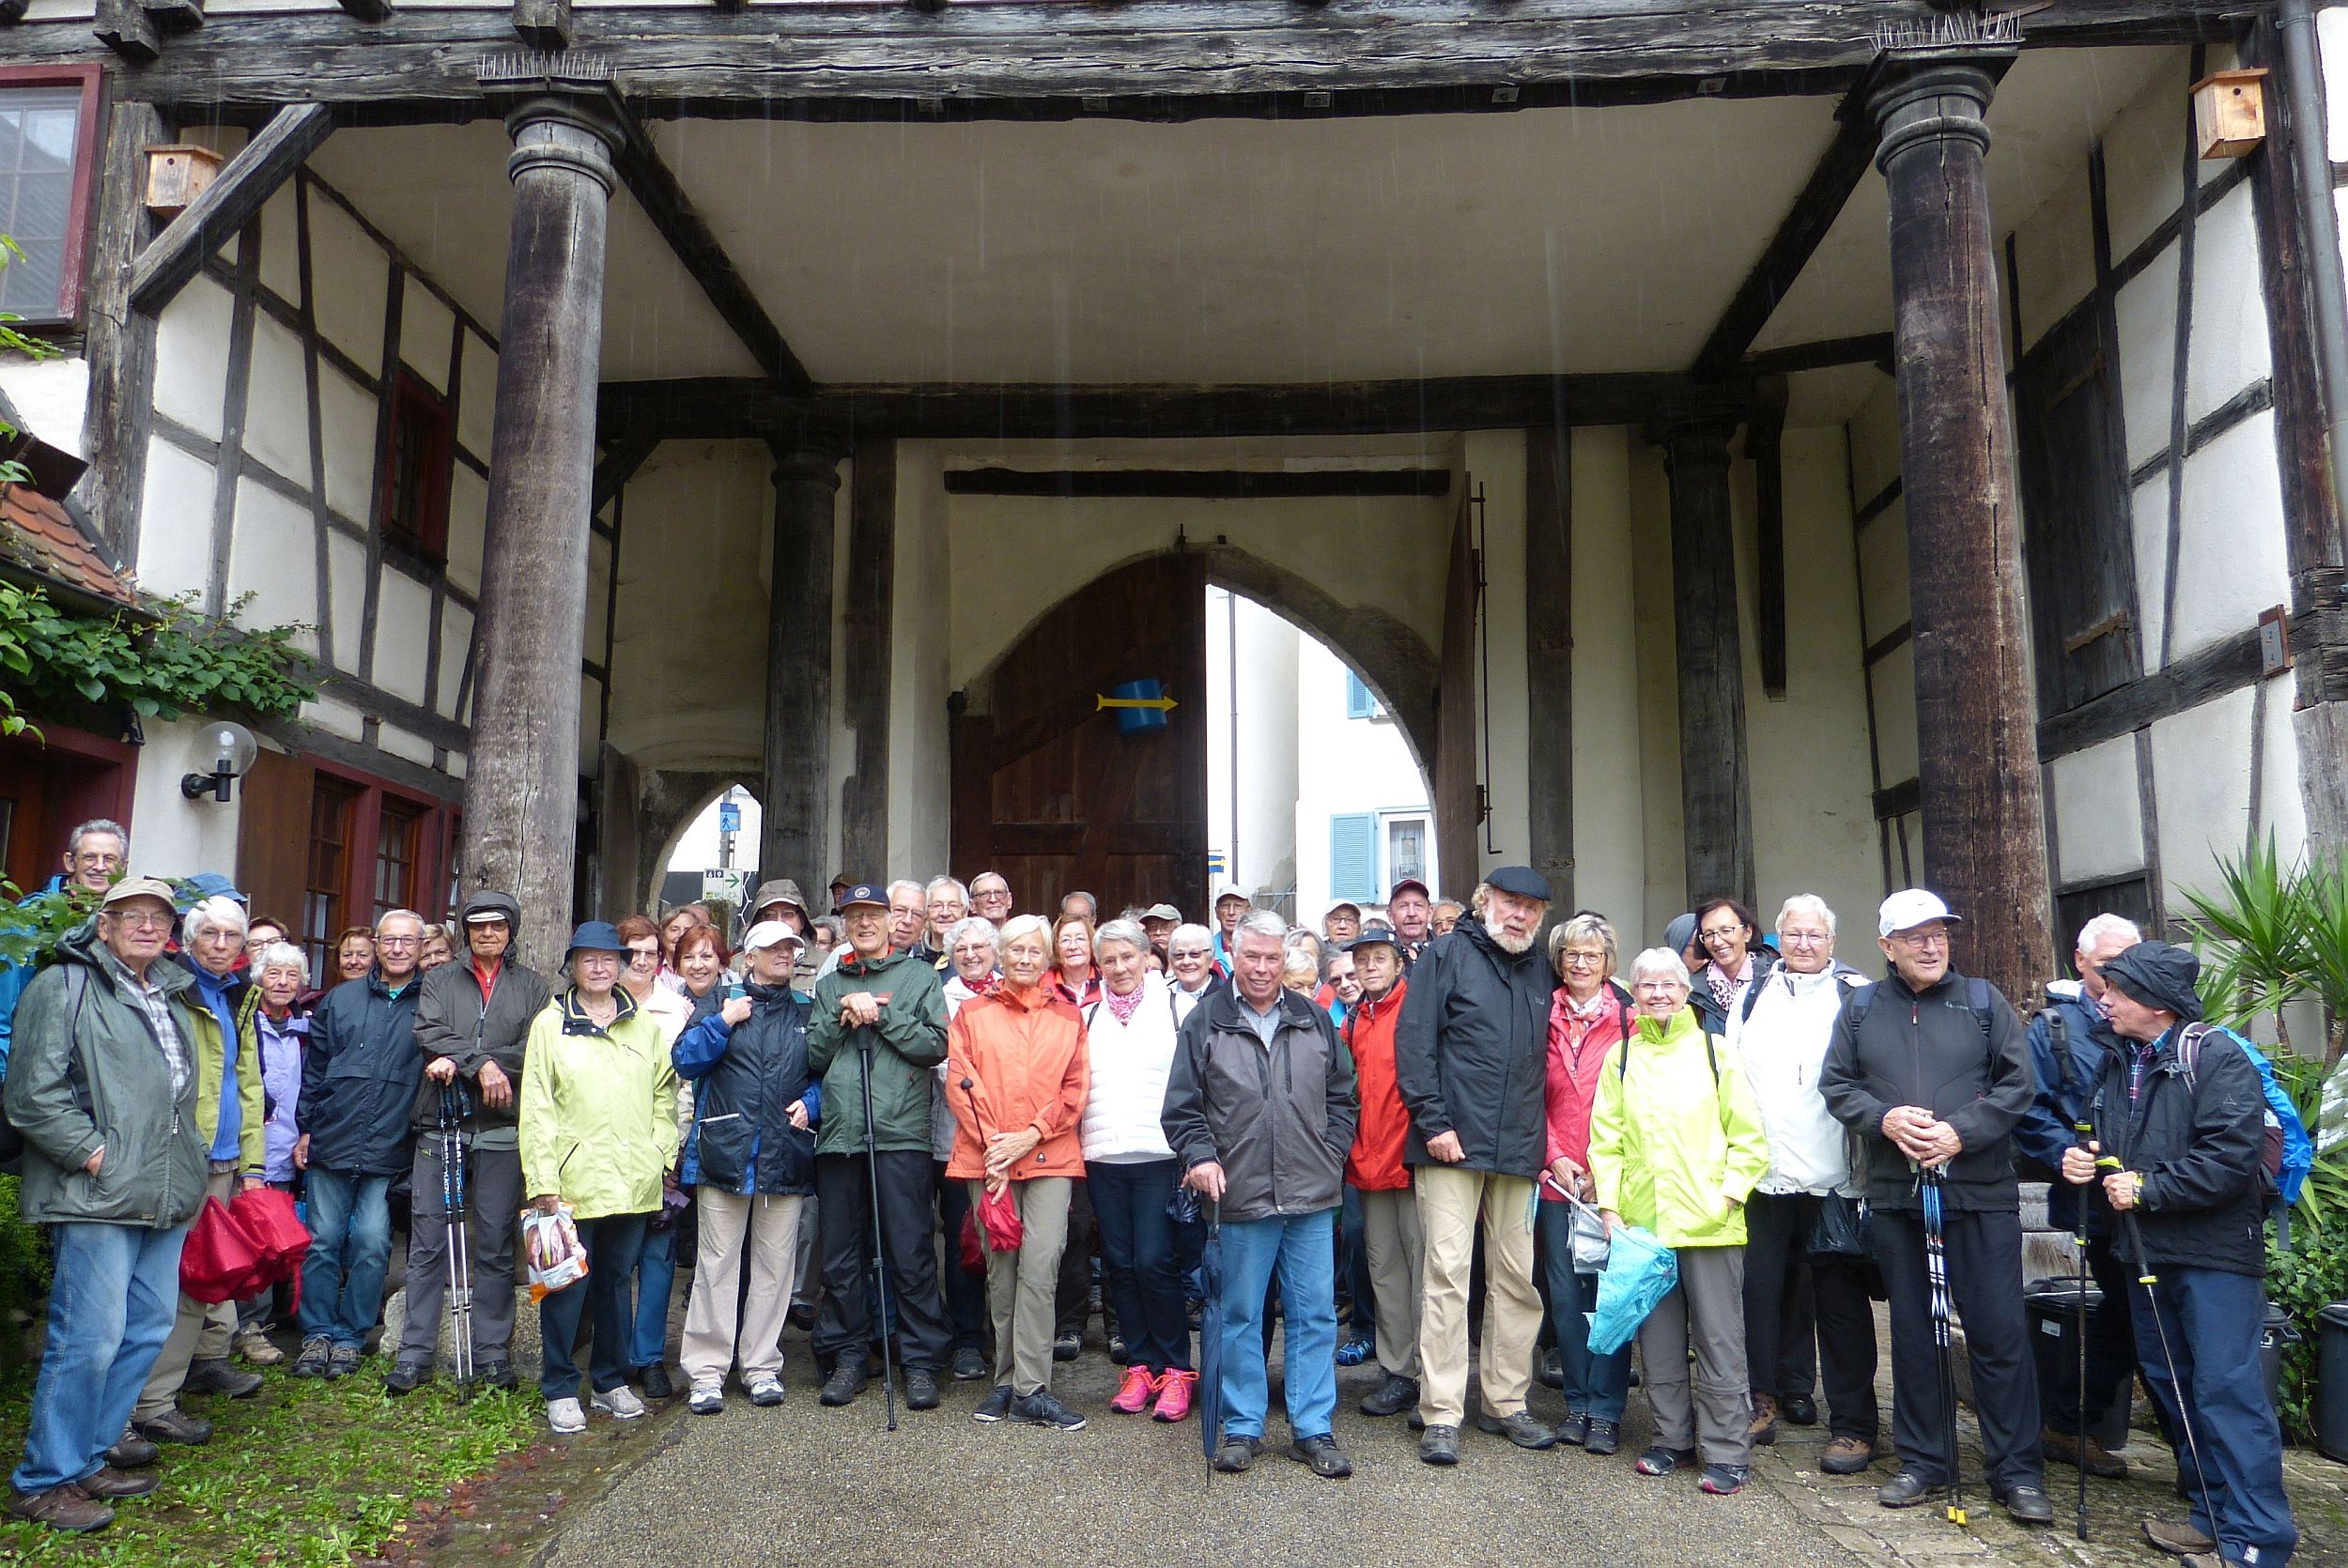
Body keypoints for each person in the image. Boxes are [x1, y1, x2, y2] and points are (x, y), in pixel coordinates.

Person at [2060, 940, 2298, 1567]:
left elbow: (2229, 1159)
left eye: (2117, 991)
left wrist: (2148, 1187)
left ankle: (2258, 1540)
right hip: (2144, 1252)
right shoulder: (2119, 1059)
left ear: (2156, 1004)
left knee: (2228, 1391)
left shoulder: (2216, 1056)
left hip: (2215, 1257)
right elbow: (2103, 1135)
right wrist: (2083, 1158)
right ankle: (2214, 1517)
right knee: (2177, 1386)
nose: (2103, 999)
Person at [1819, 889, 2051, 1525]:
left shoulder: (1983, 1002)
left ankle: (2017, 1471)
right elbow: (1837, 1086)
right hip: (1898, 1198)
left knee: (1999, 1332)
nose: (1931, 945)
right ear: (1887, 946)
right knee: (1916, 1335)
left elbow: (2018, 1086)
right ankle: (1925, 1460)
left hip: (1978, 1194)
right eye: (1916, 936)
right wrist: (1885, 1119)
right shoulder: (1862, 1008)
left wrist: (1962, 1132)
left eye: (1939, 933)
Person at [4, 877, 209, 1531]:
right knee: (87, 1339)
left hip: (164, 1193)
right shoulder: (62, 987)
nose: (147, 926)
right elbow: (32, 1094)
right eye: (132, 915)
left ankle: (89, 1457)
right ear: (104, 923)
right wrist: (97, 1156)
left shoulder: (171, 994)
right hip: (96, 1193)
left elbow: (176, 1099)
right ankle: (43, 1480)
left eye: (159, 917)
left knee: (146, 1326)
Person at [1163, 910, 1358, 1480]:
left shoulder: (1314, 1019)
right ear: (1235, 956)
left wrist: (1331, 1152)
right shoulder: (1207, 1021)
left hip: (1311, 1194)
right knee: (1242, 1314)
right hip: (1240, 1194)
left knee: (1316, 1314)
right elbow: (1182, 1107)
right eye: (1252, 957)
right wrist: (1199, 1156)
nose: (1263, 968)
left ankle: (1312, 1427)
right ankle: (1243, 1425)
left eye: (1274, 958)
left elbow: (1344, 1097)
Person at [1588, 946, 1769, 1495]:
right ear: (1634, 995)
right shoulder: (1621, 1058)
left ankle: (1727, 1451)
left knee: (1719, 1341)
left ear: (1686, 991)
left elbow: (1749, 1137)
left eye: (1669, 984)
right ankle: (1672, 1440)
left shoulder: (1717, 1053)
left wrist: (1731, 1197)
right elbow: (1608, 1141)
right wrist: (1611, 1208)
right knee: (1660, 1342)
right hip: (1646, 1228)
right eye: (1647, 986)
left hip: (1711, 1224)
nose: (1659, 993)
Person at [1395, 864, 1555, 1464]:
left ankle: (1506, 1403)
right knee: (1447, 1275)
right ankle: (1440, 1411)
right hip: (1450, 1146)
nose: (1520, 916)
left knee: (1515, 1279)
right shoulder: (1443, 956)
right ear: (1486, 901)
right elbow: (1415, 1044)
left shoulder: (1541, 965)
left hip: (1517, 1148)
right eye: (1511, 904)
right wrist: (1434, 1123)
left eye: (1532, 909)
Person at [1729, 895, 1879, 1472]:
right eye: (1793, 935)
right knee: (1760, 1289)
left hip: (1836, 1177)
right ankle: (1761, 1395)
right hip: (1763, 1172)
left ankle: (1830, 1408)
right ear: (1777, 937)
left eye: (1816, 935)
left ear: (1833, 941)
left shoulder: (1856, 994)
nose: (1804, 945)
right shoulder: (1754, 992)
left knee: (1833, 1297)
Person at [520, 922, 679, 1434]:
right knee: (564, 1287)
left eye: (608, 959)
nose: (599, 968)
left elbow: (665, 1094)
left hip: (633, 1179)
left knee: (615, 1283)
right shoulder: (551, 1023)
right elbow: (537, 1106)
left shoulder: (642, 1026)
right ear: (573, 965)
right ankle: (561, 1387)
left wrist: (660, 1151)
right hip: (571, 1182)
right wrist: (544, 1179)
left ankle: (610, 1381)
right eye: (588, 959)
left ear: (622, 965)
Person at [389, 890, 549, 1395]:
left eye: (497, 926)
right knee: (429, 1239)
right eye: (477, 926)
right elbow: (428, 1030)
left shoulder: (532, 986)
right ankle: (415, 1353)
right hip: (441, 1124)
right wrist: (480, 1064)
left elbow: (536, 1048)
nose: (487, 934)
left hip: (502, 1129)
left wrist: (474, 1062)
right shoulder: (438, 979)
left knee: (496, 1244)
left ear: (510, 931)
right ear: (465, 931)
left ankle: (493, 1354)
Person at [805, 883, 953, 1411]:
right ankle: (848, 1355)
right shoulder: (830, 982)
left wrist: (882, 1015)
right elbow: (814, 1056)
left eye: (873, 915)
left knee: (909, 1251)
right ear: (844, 924)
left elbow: (937, 1045)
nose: (863, 924)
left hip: (899, 1136)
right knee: (842, 1256)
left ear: (892, 922)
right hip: (840, 1137)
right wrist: (843, 1013)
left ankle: (918, 1361)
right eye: (854, 916)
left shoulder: (917, 977)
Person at [131, 895, 268, 1443]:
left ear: (241, 947)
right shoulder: (172, 989)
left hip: (226, 1159)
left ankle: (179, 1381)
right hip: (182, 1156)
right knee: (175, 1280)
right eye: (208, 934)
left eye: (230, 936)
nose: (219, 945)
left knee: (211, 1273)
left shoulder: (240, 994)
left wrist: (252, 1163)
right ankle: (153, 1401)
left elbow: (249, 1082)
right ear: (188, 941)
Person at [944, 915, 1089, 1430]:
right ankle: (1005, 1382)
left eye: (1035, 950)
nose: (1025, 958)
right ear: (1001, 956)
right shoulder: (972, 1014)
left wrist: (1029, 1135)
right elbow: (962, 1083)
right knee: (1001, 1276)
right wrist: (996, 1150)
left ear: (1047, 957)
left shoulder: (1068, 1016)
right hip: (988, 1162)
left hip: (1048, 1156)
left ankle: (1032, 1386)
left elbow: (1074, 1089)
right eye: (1016, 950)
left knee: (1041, 1265)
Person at [2014, 912, 2144, 1481]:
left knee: (2135, 1316)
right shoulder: (2054, 1029)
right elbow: (2027, 1107)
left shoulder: (2156, 1018)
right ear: (2081, 962)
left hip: (2158, 1195)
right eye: (2111, 964)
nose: (2123, 974)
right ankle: (2068, 1421)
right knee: (2130, 1313)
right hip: (2095, 1200)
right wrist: (2064, 1149)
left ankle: (2071, 1420)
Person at [671, 922, 817, 1415]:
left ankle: (761, 1367)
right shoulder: (719, 1002)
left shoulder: (805, 1010)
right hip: (725, 1152)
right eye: (773, 948)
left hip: (785, 1152)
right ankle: (707, 1372)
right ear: (749, 957)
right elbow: (685, 1061)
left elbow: (822, 1074)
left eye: (790, 948)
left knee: (776, 1268)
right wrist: (724, 1022)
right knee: (717, 1266)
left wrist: (811, 1104)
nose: (784, 955)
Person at [293, 909, 428, 1380]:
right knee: (322, 1241)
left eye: (407, 942)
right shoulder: (341, 999)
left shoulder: (431, 1003)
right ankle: (316, 1334)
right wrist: (305, 1127)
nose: (396, 949)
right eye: (388, 940)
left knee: (372, 1243)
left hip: (390, 1142)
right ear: (376, 944)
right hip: (333, 1135)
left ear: (419, 947)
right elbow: (315, 1067)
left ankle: (351, 1336)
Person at [1080, 919, 1196, 1422]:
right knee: (1120, 1266)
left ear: (1149, 957)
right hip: (1104, 1155)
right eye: (1109, 960)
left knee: (1154, 1262)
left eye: (1128, 957)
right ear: (1098, 965)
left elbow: (1200, 1082)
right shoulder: (1087, 1014)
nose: (1119, 967)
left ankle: (1176, 1370)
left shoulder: (1178, 1008)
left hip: (1160, 1155)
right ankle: (1141, 1365)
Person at [1536, 913, 1636, 1455]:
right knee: (1566, 1296)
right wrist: (1554, 1157)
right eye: (1571, 954)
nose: (1580, 963)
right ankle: (1575, 1403)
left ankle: (1607, 1409)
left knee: (1610, 1296)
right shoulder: (1541, 1015)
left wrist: (1605, 1168)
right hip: (1558, 1181)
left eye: (1591, 955)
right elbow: (1531, 1095)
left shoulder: (1629, 1020)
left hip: (1610, 1183)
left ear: (1608, 964)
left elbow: (1640, 1104)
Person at [1338, 926, 1424, 1423]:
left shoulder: (1417, 1011)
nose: (1370, 966)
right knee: (1386, 1274)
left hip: (1412, 1163)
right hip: (1368, 1166)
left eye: (1379, 958)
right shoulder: (1354, 1019)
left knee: (1425, 1276)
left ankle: (1431, 1376)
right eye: (1363, 959)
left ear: (1398, 963)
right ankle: (1398, 1372)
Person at [236, 941, 311, 1365]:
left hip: (286, 1150)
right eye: (274, 973)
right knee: (242, 1240)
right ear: (258, 976)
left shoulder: (305, 1029)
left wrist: (307, 1133)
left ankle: (258, 1327)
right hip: (244, 1150)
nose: (282, 982)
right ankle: (234, 1328)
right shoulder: (245, 1021)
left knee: (270, 1243)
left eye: (291, 975)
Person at [0, 818, 126, 1068]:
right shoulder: (29, 919)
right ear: (70, 861)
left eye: (109, 859)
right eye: (90, 857)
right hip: (34, 1062)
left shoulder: (128, 922)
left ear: (123, 866)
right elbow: (4, 1005)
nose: (100, 867)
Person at [936, 917, 1002, 1380]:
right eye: (963, 949)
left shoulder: (1015, 991)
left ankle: (1007, 1338)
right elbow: (946, 1070)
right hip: (956, 1139)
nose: (972, 954)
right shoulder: (941, 998)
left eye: (981, 946)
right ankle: (966, 1340)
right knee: (964, 1242)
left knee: (1007, 1240)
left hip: (1014, 1144)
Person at [1689, 898, 1778, 1036]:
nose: (1717, 942)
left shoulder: (1776, 977)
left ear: (1747, 932)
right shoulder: (1693, 993)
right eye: (1709, 934)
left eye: (1726, 930)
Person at [1167, 924, 1221, 1025]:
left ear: (1211, 959)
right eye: (1179, 955)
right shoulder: (1162, 996)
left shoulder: (1226, 997)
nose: (1186, 962)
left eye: (1195, 954)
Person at [1387, 879, 1434, 967]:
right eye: (1403, 906)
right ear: (1390, 916)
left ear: (1430, 913)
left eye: (1418, 906)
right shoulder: (1381, 952)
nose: (1411, 913)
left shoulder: (1447, 950)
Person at [924, 877, 971, 963]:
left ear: (964, 912)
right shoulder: (912, 954)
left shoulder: (974, 958)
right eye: (937, 905)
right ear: (927, 913)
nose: (945, 913)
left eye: (953, 905)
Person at [888, 881, 934, 962]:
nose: (907, 921)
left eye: (916, 914)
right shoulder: (860, 961)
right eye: (900, 910)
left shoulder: (928, 969)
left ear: (923, 925)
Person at [1210, 887, 1251, 971]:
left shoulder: (1259, 949)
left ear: (1249, 911)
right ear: (1217, 912)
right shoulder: (1208, 951)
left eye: (1238, 906)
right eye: (1225, 906)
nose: (1231, 912)